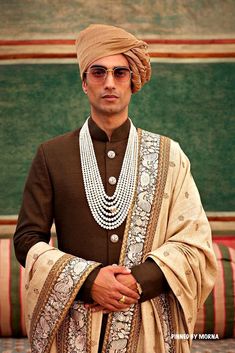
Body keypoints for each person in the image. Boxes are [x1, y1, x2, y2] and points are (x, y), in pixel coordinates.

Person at [14, 24, 217, 353]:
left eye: (120, 73)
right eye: (98, 72)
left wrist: (138, 281)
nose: (109, 82)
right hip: (75, 326)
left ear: (132, 82)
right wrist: (88, 281)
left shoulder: (169, 155)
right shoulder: (52, 155)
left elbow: (194, 243)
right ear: (84, 82)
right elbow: (26, 241)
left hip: (148, 327)